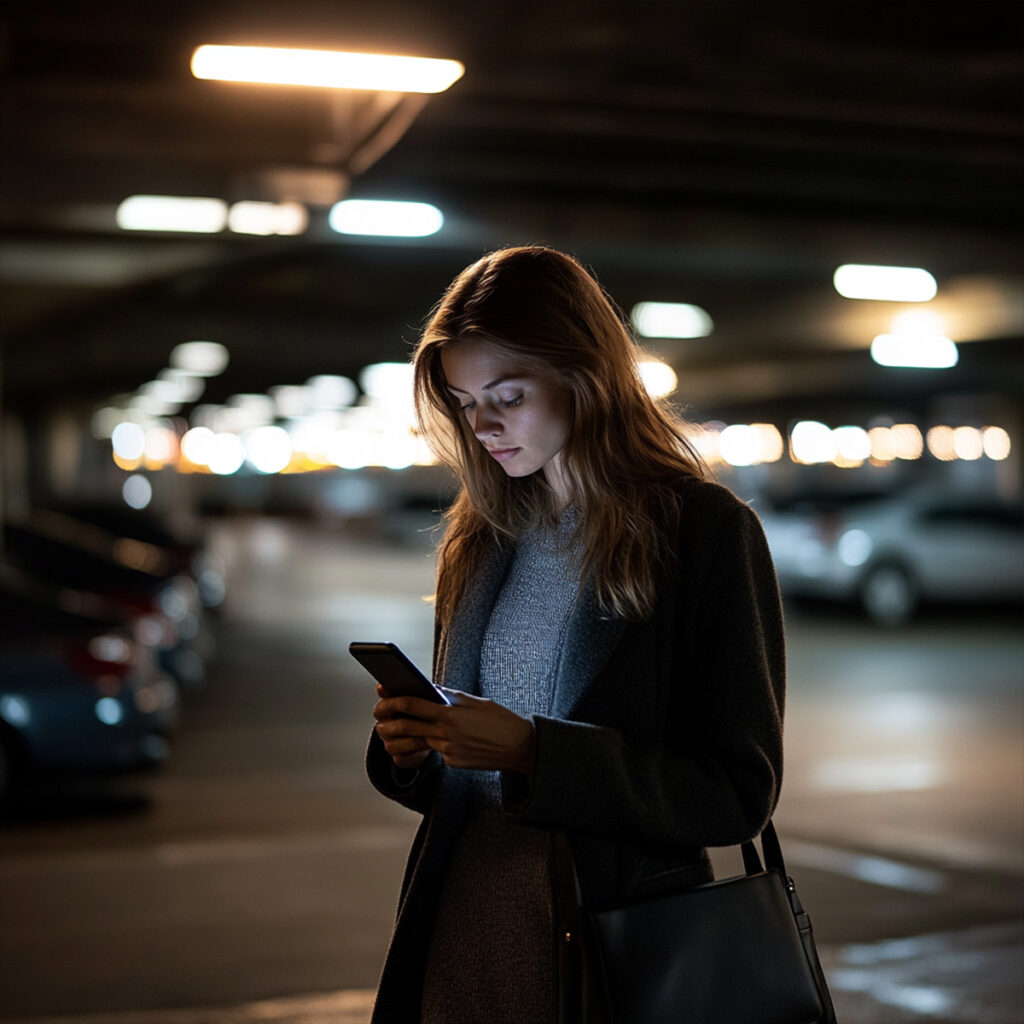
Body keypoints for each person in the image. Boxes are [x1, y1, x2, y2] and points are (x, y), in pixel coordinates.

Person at [366, 246, 785, 1023]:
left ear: (583, 377)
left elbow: (737, 793)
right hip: (459, 932)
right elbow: (461, 781)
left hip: (606, 952)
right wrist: (415, 745)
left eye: (507, 394)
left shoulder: (704, 533)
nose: (481, 425)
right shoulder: (482, 535)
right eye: (462, 401)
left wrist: (535, 752)